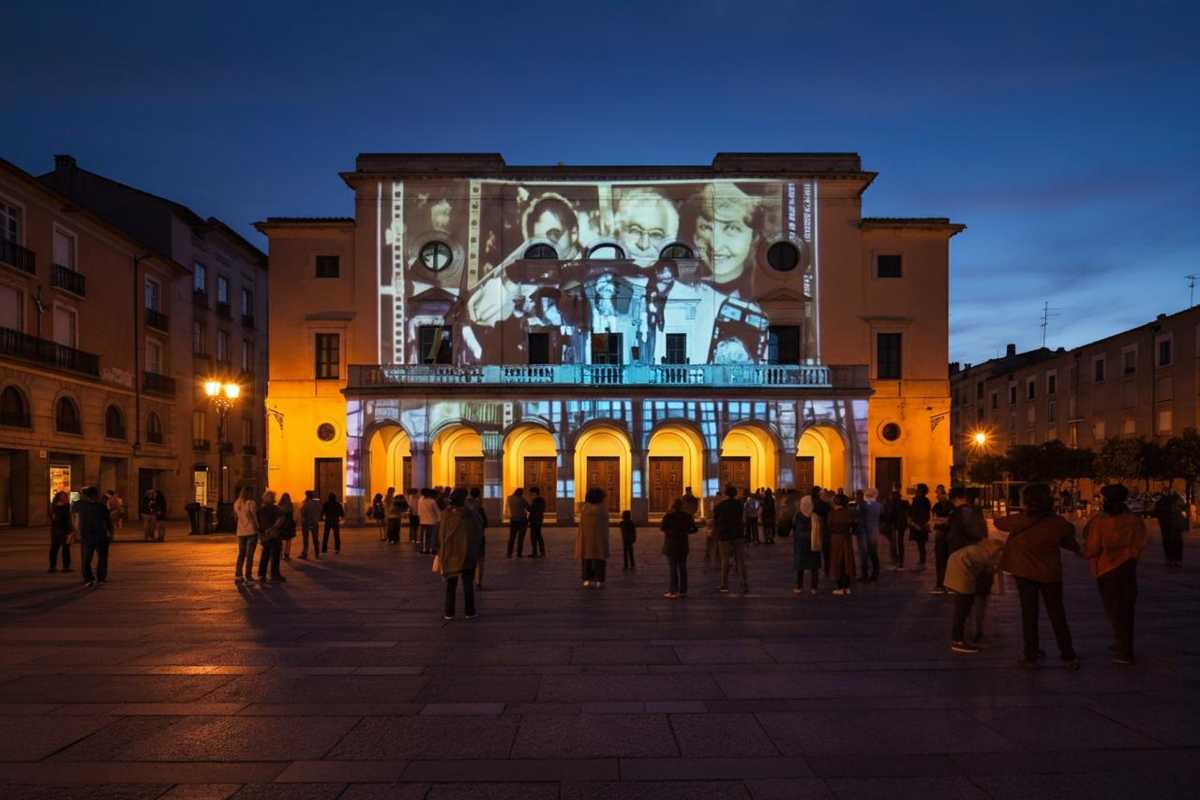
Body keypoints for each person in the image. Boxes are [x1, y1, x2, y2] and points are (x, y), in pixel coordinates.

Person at [996, 482, 1081, 670]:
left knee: (1029, 614)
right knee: (1057, 614)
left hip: (1024, 573)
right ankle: (1068, 655)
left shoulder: (1018, 520)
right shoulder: (1057, 522)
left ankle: (1031, 655)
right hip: (1050, 574)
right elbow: (1068, 533)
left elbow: (999, 522)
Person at [1083, 484, 1147, 665]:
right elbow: (1140, 543)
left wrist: (1085, 553)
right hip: (1127, 566)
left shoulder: (1100, 521)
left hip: (1106, 569)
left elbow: (1093, 548)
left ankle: (1123, 649)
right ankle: (1124, 644)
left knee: (1113, 610)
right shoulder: (1134, 520)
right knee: (1127, 609)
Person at [946, 533, 1005, 655]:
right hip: (962, 574)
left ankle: (960, 638)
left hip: (959, 570)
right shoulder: (987, 554)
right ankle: (958, 641)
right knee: (962, 609)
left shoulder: (980, 549)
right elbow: (993, 567)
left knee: (962, 608)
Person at [438, 488, 483, 620]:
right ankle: (469, 611)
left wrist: (441, 551)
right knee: (468, 584)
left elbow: (441, 535)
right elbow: (479, 530)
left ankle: (449, 612)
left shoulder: (446, 514)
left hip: (450, 553)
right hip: (467, 553)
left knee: (451, 585)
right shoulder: (471, 514)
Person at [714, 485, 748, 594]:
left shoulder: (720, 506)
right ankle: (744, 583)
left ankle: (724, 585)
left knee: (725, 560)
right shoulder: (740, 505)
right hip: (738, 534)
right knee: (740, 560)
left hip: (724, 535)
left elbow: (716, 519)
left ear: (725, 494)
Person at [77, 486, 113, 587]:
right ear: (95, 495)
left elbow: (75, 519)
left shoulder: (80, 506)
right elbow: (108, 521)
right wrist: (111, 533)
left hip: (88, 536)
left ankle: (89, 578)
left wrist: (77, 532)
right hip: (100, 535)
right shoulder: (101, 506)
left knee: (86, 559)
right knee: (101, 558)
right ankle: (100, 578)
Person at [660, 498, 696, 598]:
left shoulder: (668, 516)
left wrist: (671, 532)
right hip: (683, 544)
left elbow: (663, 528)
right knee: (683, 567)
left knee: (673, 568)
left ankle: (673, 591)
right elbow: (694, 529)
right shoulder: (687, 516)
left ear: (672, 506)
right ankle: (683, 590)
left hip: (671, 544)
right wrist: (685, 532)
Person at [576, 488, 610, 588]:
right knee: (599, 560)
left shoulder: (584, 509)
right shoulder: (602, 509)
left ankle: (586, 579)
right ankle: (599, 580)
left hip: (586, 540)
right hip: (599, 539)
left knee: (587, 560)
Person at [827, 495, 857, 595]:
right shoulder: (848, 513)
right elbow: (853, 524)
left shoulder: (832, 514)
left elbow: (829, 526)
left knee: (837, 562)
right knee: (847, 561)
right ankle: (847, 587)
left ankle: (840, 587)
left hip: (835, 539)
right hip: (846, 538)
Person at [792, 494, 822, 594]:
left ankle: (800, 587)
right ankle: (813, 587)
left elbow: (796, 530)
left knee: (801, 567)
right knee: (813, 568)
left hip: (802, 545)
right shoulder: (815, 516)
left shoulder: (798, 516)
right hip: (812, 545)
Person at [1153, 488, 1186, 568]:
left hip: (1170, 524)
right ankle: (1174, 560)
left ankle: (1173, 559)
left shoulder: (1172, 498)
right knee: (1173, 542)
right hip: (1170, 524)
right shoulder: (1174, 498)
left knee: (1172, 542)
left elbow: (1156, 511)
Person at [256, 490, 285, 583]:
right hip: (274, 535)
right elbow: (280, 520)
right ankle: (274, 574)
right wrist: (273, 528)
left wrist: (261, 533)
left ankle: (262, 575)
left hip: (265, 535)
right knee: (275, 555)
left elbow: (258, 523)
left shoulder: (260, 509)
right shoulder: (276, 509)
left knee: (265, 555)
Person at [931, 484, 955, 592]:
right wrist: (943, 520)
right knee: (941, 560)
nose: (937, 495)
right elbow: (935, 519)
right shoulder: (938, 506)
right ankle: (941, 583)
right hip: (942, 534)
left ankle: (944, 583)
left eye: (938, 493)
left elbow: (949, 520)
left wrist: (941, 520)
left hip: (946, 535)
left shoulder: (949, 505)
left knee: (944, 560)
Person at [233, 486, 259, 582]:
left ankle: (238, 574)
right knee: (250, 555)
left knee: (241, 554)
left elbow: (236, 518)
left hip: (240, 532)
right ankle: (248, 575)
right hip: (251, 531)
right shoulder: (251, 503)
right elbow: (254, 516)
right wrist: (258, 527)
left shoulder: (237, 503)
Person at [857, 488, 882, 582]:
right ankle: (875, 573)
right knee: (873, 553)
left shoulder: (863, 506)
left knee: (864, 554)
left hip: (864, 531)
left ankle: (865, 575)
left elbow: (859, 517)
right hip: (874, 531)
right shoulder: (879, 506)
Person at [466, 487, 489, 589]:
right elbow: (485, 523)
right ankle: (478, 581)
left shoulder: (464, 509)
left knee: (469, 559)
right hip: (478, 537)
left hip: (467, 538)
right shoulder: (479, 508)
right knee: (480, 559)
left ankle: (468, 580)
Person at [883, 489, 911, 570]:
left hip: (896, 526)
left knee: (896, 543)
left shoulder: (894, 504)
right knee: (899, 543)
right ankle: (899, 561)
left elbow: (889, 515)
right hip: (899, 526)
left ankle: (897, 561)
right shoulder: (903, 503)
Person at [49, 490, 73, 573]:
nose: (63, 498)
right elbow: (53, 517)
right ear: (58, 497)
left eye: (64, 496)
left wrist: (71, 530)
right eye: (62, 496)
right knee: (54, 548)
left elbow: (68, 519)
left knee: (66, 548)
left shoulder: (67, 506)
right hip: (57, 530)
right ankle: (52, 566)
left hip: (65, 529)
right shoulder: (54, 506)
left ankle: (66, 567)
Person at [908, 483, 931, 570]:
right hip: (921, 524)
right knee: (921, 544)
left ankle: (922, 560)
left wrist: (916, 523)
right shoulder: (925, 500)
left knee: (921, 543)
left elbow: (918, 512)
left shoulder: (919, 500)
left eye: (917, 489)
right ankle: (922, 559)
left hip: (919, 524)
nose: (916, 491)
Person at [506, 487, 529, 558]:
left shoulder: (509, 498)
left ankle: (509, 553)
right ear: (521, 493)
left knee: (512, 538)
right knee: (520, 538)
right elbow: (528, 508)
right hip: (522, 520)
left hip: (513, 520)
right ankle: (519, 553)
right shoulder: (522, 499)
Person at [299, 490, 322, 559]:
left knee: (305, 539)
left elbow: (302, 512)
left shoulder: (306, 503)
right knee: (315, 538)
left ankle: (305, 553)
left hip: (306, 522)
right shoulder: (317, 503)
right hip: (315, 522)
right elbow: (320, 510)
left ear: (306, 495)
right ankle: (317, 553)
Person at [418, 488, 441, 555]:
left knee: (423, 536)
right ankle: (432, 548)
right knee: (432, 536)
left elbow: (419, 511)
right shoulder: (432, 501)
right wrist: (439, 519)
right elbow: (437, 511)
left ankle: (423, 548)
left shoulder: (420, 501)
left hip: (422, 521)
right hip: (432, 521)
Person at [528, 486, 547, 558]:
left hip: (535, 520)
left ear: (535, 493)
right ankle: (540, 552)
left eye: (531, 493)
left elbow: (533, 510)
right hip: (537, 520)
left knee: (535, 537)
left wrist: (529, 508)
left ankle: (536, 552)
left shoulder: (537, 500)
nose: (530, 495)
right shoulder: (540, 500)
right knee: (538, 536)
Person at [278, 492, 297, 561]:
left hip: (281, 525)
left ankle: (279, 554)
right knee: (288, 541)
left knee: (280, 540)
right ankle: (286, 555)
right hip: (289, 525)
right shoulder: (290, 505)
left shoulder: (279, 506)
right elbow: (293, 515)